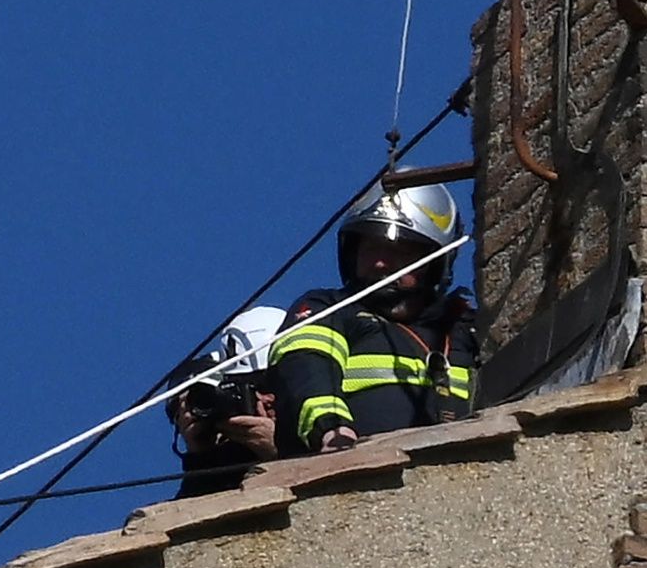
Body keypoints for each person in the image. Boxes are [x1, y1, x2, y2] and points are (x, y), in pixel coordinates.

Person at [271, 184, 477, 453]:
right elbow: (306, 366)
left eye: (397, 251)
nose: (380, 263)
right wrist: (331, 427)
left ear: (434, 261)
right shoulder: (329, 309)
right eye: (370, 249)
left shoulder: (465, 328)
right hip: (360, 472)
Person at [167, 305, 289, 499]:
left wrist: (281, 448)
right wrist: (200, 456)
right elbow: (194, 518)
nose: (265, 399)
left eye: (266, 385)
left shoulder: (324, 422)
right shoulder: (233, 452)